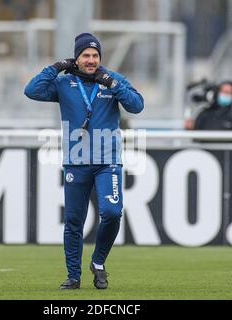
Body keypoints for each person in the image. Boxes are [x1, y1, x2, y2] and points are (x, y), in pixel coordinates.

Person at [24, 33, 144, 290]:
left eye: (95, 55)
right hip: (76, 162)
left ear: (100, 58)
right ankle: (73, 276)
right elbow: (31, 90)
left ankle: (98, 262)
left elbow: (137, 106)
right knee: (74, 221)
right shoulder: (65, 83)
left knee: (112, 212)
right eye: (85, 55)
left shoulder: (111, 80)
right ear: (76, 58)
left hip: (107, 161)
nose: (91, 60)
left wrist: (113, 85)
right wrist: (56, 67)